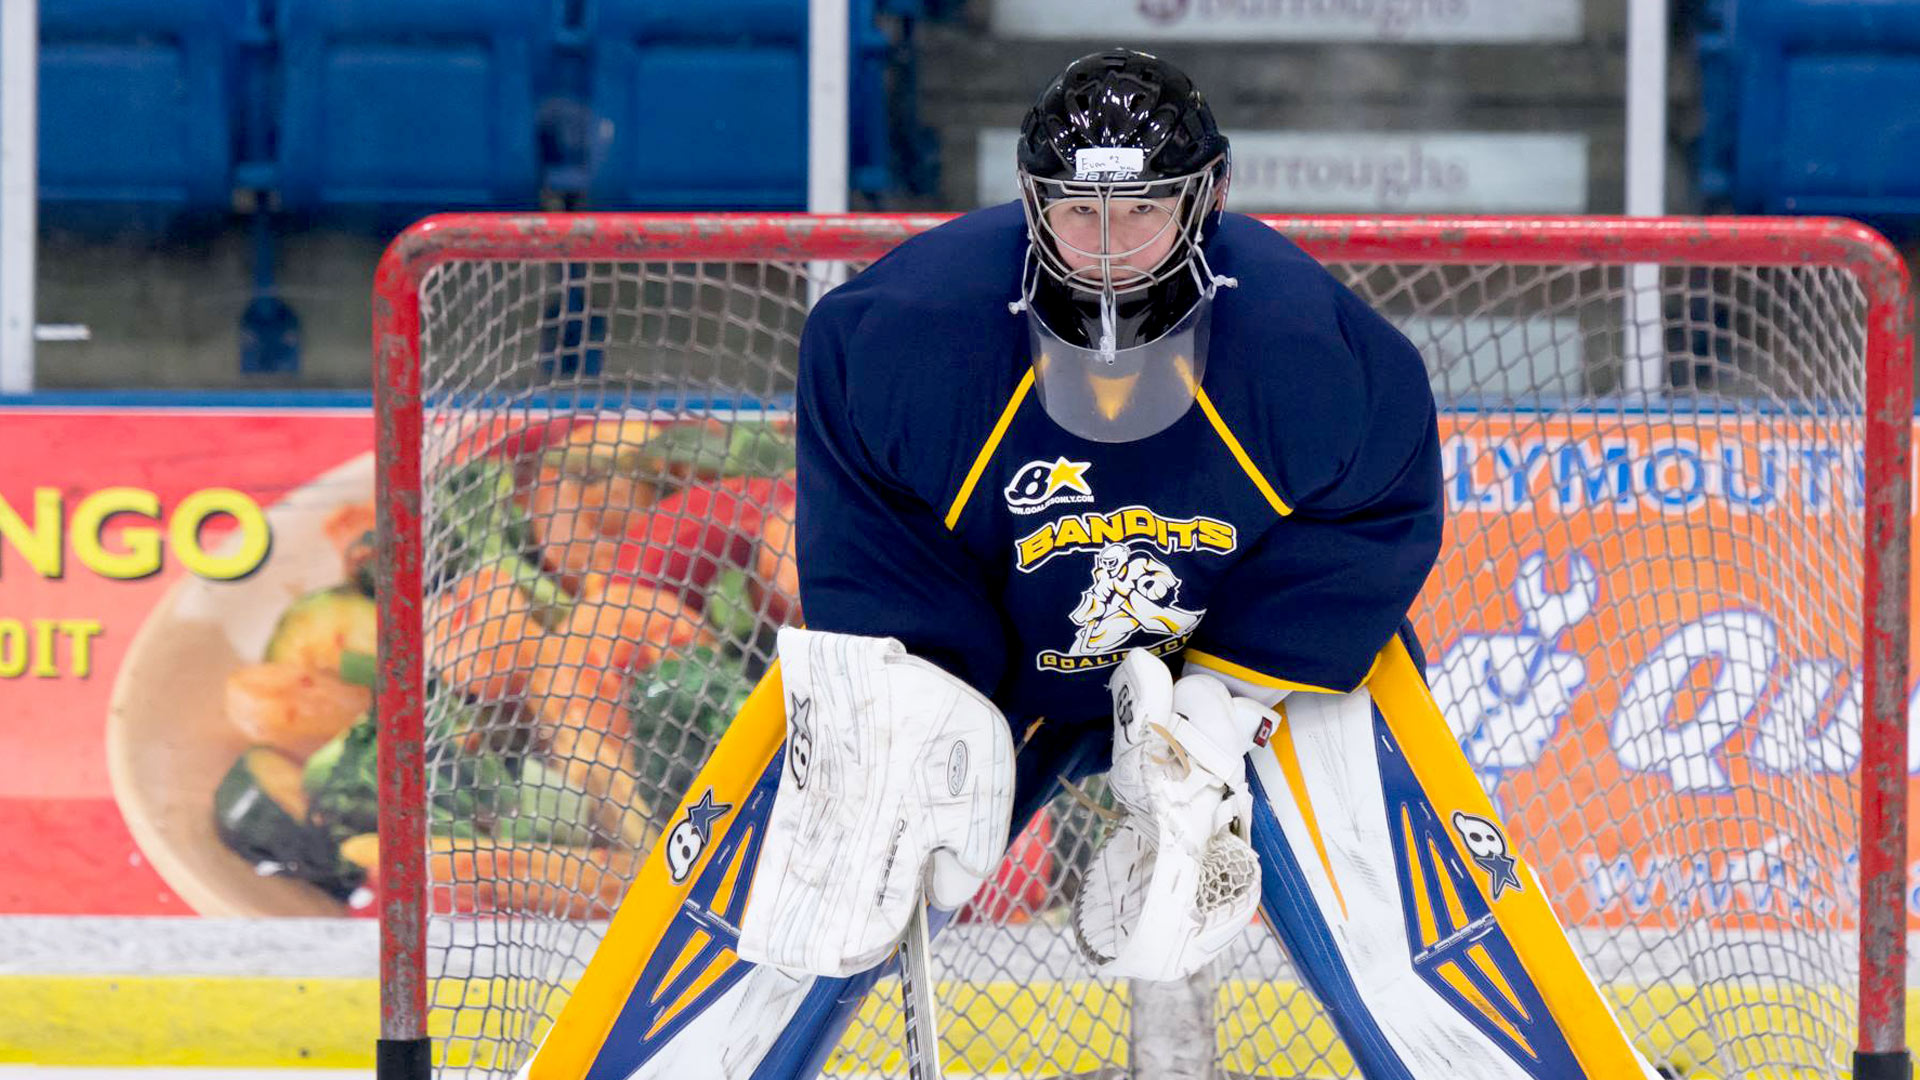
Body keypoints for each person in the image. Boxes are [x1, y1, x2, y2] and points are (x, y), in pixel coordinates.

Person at [533, 48, 1664, 1080]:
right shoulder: (902, 335)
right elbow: (872, 543)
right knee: (806, 893)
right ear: (1034, 205)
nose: (1110, 243)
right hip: (1000, 655)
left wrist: (1225, 707)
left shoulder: (1316, 354)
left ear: (1207, 199)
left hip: (1228, 662)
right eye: (1080, 210)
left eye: (1145, 208)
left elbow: (1371, 523)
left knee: (1392, 931)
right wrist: (926, 716)